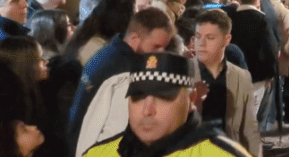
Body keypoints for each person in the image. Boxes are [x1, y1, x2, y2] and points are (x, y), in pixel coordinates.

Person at [82, 52, 253, 156]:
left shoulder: (221, 155)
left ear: (191, 99)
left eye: (163, 97)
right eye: (138, 97)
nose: (147, 111)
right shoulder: (98, 154)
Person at [69, 8, 175, 154]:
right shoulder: (126, 74)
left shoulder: (106, 52)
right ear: (135, 39)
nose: (160, 53)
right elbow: (116, 132)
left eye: (164, 47)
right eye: (156, 46)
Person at [193, 9, 262, 156]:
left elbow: (249, 128)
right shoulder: (182, 72)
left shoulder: (241, 77)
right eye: (198, 37)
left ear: (227, 40)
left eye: (210, 37)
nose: (201, 43)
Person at [0, 36, 51, 157]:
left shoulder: (34, 91)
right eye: (39, 59)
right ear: (25, 65)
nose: (46, 61)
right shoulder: (11, 103)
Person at [227, 0, 278, 135]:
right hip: (256, 75)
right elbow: (270, 48)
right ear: (257, 0)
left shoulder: (231, 17)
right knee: (252, 113)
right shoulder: (262, 19)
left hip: (233, 73)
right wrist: (271, 74)